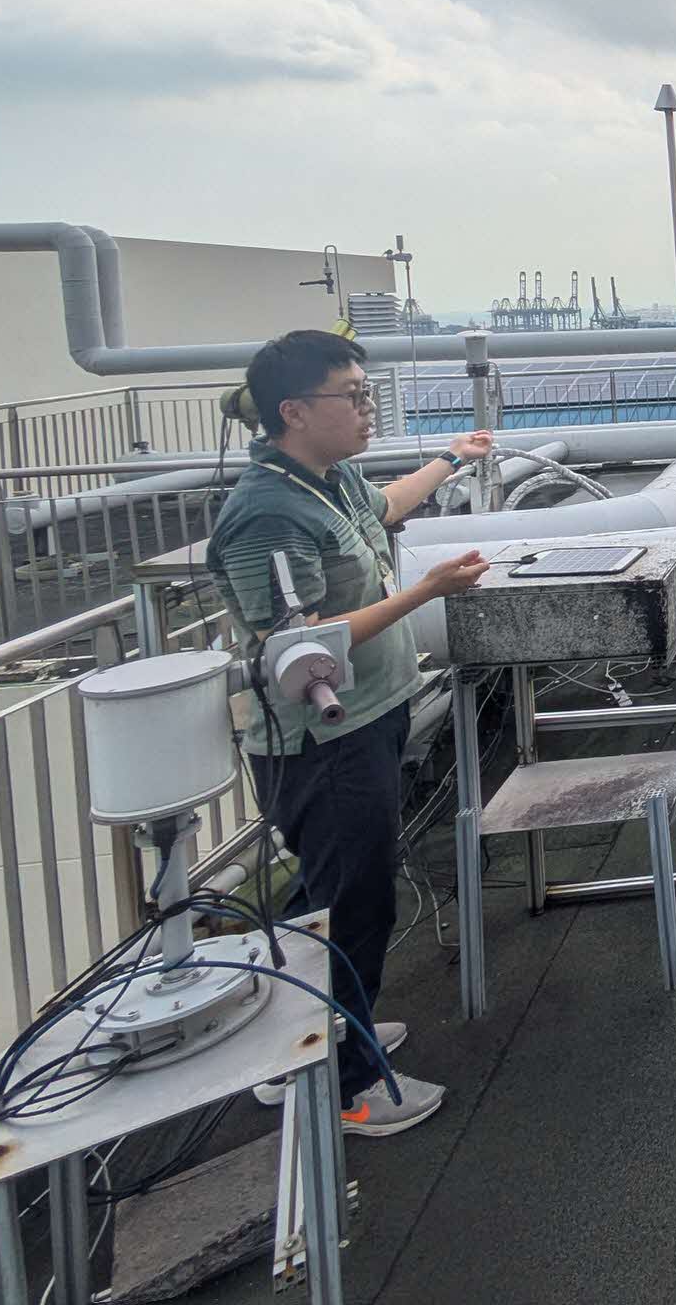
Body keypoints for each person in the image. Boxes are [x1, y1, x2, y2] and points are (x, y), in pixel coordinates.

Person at [206, 330, 495, 1139]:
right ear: (294, 411)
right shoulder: (267, 513)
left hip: (366, 719)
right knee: (350, 906)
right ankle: (347, 1086)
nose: (369, 409)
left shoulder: (325, 480)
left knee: (324, 900)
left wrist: (452, 458)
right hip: (324, 744)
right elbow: (295, 645)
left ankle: (301, 1046)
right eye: (354, 396)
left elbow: (386, 506)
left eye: (368, 394)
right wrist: (426, 591)